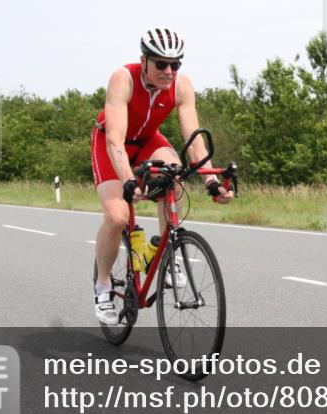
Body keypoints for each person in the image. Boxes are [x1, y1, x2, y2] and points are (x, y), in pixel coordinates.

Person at [90, 28, 233, 323]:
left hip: (147, 141)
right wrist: (129, 181)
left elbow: (194, 140)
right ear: (144, 60)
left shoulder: (181, 86)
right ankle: (103, 285)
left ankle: (166, 254)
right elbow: (115, 141)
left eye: (175, 64)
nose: (169, 71)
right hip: (111, 144)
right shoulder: (123, 79)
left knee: (175, 178)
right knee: (117, 216)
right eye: (161, 64)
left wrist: (211, 181)